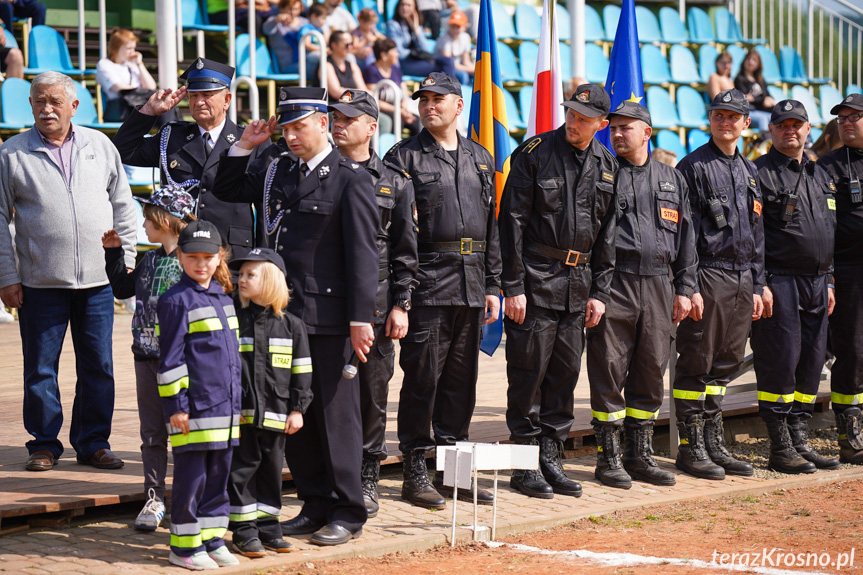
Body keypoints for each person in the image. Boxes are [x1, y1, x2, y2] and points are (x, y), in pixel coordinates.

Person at [212, 87, 378, 546]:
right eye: (284, 128)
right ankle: (314, 502)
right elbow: (224, 187)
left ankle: (348, 509)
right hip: (281, 315)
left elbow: (364, 254)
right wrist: (245, 145)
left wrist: (361, 317)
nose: (290, 136)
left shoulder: (349, 178)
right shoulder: (274, 170)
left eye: (299, 126)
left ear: (323, 124)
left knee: (334, 416)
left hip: (328, 316)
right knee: (292, 414)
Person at [0, 71, 136, 473]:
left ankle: (94, 442)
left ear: (73, 106)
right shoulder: (12, 153)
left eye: (55, 102)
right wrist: (7, 275)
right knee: (40, 368)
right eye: (39, 101)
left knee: (99, 365)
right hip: (39, 283)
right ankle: (43, 443)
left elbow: (124, 206)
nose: (46, 109)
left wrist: (123, 262)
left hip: (98, 282)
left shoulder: (100, 144)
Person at [384, 72, 501, 509]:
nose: (429, 106)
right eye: (424, 100)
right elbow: (397, 233)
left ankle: (454, 474)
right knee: (422, 380)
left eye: (439, 99)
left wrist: (494, 284)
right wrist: (403, 294)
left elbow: (492, 226)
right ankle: (416, 470)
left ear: (458, 106)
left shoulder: (479, 157)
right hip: (428, 282)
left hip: (472, 284)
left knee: (460, 383)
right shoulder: (404, 157)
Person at [498, 84, 616, 499]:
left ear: (602, 124)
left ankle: (551, 457)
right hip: (535, 278)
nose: (573, 122)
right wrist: (512, 286)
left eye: (584, 118)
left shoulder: (606, 163)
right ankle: (524, 463)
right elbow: (510, 223)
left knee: (565, 375)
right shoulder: (534, 153)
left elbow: (607, 236)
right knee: (528, 375)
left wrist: (600, 291)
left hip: (579, 285)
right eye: (571, 113)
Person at [585, 101, 696, 489]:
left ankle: (640, 455)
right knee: (608, 369)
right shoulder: (601, 174)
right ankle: (609, 458)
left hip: (660, 286)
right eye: (613, 128)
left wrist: (686, 287)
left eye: (626, 128)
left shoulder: (672, 178)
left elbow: (686, 241)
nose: (616, 134)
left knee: (651, 369)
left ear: (646, 133)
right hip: (615, 283)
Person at [330, 89, 418, 517]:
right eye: (335, 117)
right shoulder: (319, 173)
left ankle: (367, 474)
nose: (339, 124)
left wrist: (402, 304)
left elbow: (405, 252)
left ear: (371, 127)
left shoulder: (395, 182)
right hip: (326, 304)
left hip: (378, 308)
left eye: (349, 118)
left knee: (371, 394)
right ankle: (330, 475)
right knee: (323, 393)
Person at [672, 89, 765, 480]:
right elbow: (684, 235)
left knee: (725, 364)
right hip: (708, 275)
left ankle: (713, 440)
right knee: (697, 361)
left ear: (746, 123)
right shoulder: (692, 167)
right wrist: (688, 285)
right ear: (710, 120)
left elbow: (759, 234)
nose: (725, 122)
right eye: (718, 116)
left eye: (733, 117)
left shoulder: (749, 170)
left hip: (744, 278)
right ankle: (691, 446)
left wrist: (759, 284)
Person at [751, 99, 840, 474]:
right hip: (780, 281)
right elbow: (752, 237)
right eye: (783, 125)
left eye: (797, 125)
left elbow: (829, 230)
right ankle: (780, 445)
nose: (791, 130)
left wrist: (831, 279)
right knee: (780, 362)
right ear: (771, 131)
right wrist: (761, 282)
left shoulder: (820, 175)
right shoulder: (759, 174)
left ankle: (799, 439)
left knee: (810, 363)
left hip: (819, 283)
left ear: (808, 129)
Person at [113, 58, 264, 269]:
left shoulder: (249, 142)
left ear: (227, 100)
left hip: (232, 256)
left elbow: (263, 204)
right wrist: (149, 112)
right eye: (194, 96)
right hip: (182, 253)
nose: (199, 102)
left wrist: (261, 258)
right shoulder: (171, 137)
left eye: (207, 95)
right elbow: (122, 151)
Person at [102, 188, 195, 530]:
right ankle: (153, 498)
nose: (143, 224)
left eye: (148, 216)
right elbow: (123, 288)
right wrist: (113, 255)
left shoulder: (194, 260)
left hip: (185, 362)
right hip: (147, 357)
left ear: (165, 220)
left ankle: (189, 498)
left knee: (186, 431)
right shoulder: (149, 259)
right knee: (152, 433)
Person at [156, 220, 241, 570]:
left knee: (218, 478)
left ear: (219, 257)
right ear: (180, 257)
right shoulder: (175, 301)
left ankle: (212, 539)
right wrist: (176, 407)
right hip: (193, 410)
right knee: (192, 479)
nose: (201, 264)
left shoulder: (223, 297)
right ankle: (184, 547)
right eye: (193, 257)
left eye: (208, 257)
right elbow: (170, 360)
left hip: (226, 409)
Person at [227, 248, 312, 557]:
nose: (242, 280)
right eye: (241, 275)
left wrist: (297, 409)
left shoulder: (292, 326)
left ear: (272, 281)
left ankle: (268, 529)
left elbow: (302, 371)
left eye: (251, 275)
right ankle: (244, 532)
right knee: (243, 471)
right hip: (243, 416)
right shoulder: (235, 321)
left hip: (277, 415)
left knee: (272, 472)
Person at [817, 92, 863, 465]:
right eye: (842, 118)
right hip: (849, 273)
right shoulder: (828, 167)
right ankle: (851, 436)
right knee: (853, 352)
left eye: (855, 117)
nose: (847, 123)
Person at [96, 29, 159, 123]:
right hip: (121, 109)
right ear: (117, 48)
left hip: (137, 106)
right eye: (129, 48)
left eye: (134, 48)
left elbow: (151, 87)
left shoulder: (132, 65)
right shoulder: (105, 64)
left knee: (163, 100)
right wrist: (141, 92)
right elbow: (118, 88)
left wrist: (140, 64)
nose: (133, 52)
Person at [363, 38, 420, 137]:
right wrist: (398, 111)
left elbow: (404, 91)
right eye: (394, 51)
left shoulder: (395, 69)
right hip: (384, 110)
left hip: (400, 109)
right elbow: (374, 98)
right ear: (383, 55)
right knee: (398, 120)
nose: (398, 54)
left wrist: (404, 109)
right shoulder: (371, 71)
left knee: (417, 122)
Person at [387, 0, 456, 79]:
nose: (404, 8)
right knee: (441, 69)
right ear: (398, 7)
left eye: (408, 5)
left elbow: (425, 49)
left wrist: (416, 30)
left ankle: (450, 88)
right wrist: (414, 53)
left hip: (418, 59)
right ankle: (448, 89)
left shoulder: (416, 25)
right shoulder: (393, 25)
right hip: (404, 63)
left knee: (448, 61)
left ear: (414, 8)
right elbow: (399, 53)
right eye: (402, 5)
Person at [734, 49, 776, 133]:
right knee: (763, 118)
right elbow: (747, 98)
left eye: (754, 60)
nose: (750, 62)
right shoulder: (739, 79)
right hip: (749, 111)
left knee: (776, 117)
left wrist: (769, 99)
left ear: (758, 64)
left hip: (762, 109)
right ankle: (763, 142)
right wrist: (763, 99)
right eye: (748, 59)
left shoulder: (760, 79)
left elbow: (767, 94)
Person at [262, 0, 306, 74]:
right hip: (287, 66)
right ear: (281, 8)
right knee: (320, 67)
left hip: (306, 60)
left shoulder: (305, 23)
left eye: (296, 9)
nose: (293, 12)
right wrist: (276, 20)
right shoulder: (275, 22)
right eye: (289, 9)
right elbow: (266, 30)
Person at [326, 31, 369, 103]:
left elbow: (363, 89)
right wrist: (361, 95)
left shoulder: (352, 66)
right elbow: (336, 92)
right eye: (346, 44)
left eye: (351, 44)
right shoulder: (327, 65)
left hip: (353, 107)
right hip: (334, 109)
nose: (350, 47)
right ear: (334, 45)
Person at [433, 12, 473, 86]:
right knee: (463, 76)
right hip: (442, 68)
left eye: (458, 27)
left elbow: (466, 61)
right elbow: (449, 64)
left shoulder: (465, 37)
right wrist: (472, 70)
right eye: (453, 26)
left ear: (465, 28)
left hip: (459, 66)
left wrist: (476, 70)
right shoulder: (444, 40)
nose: (455, 29)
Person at [209, 0, 278, 34]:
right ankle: (249, 57)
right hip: (218, 13)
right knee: (253, 20)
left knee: (271, 21)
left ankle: (272, 59)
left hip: (240, 12)